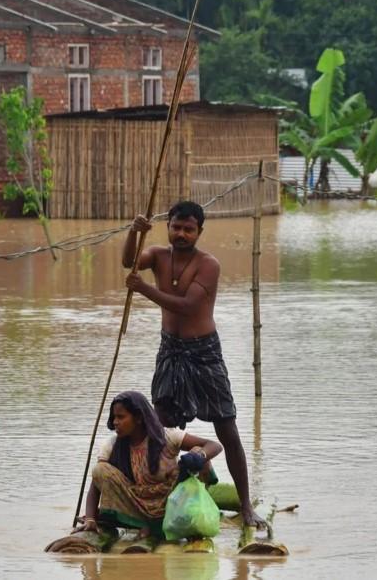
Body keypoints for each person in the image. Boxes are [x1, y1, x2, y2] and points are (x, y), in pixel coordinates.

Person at [122, 200, 268, 529]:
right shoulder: (158, 255)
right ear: (168, 227)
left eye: (189, 229)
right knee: (158, 427)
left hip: (204, 353)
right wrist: (134, 232)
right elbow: (129, 261)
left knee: (227, 428)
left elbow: (188, 306)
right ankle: (156, 501)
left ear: (199, 232)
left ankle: (245, 506)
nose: (182, 234)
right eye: (176, 227)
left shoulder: (209, 265)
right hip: (170, 351)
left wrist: (144, 288)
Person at [74, 390, 222, 537]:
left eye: (121, 417)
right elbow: (96, 484)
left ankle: (165, 522)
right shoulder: (112, 445)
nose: (115, 422)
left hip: (170, 502)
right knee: (100, 469)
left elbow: (214, 445)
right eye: (114, 417)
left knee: (197, 452)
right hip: (137, 505)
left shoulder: (167, 437)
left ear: (138, 418)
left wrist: (199, 456)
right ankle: (145, 525)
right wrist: (90, 519)